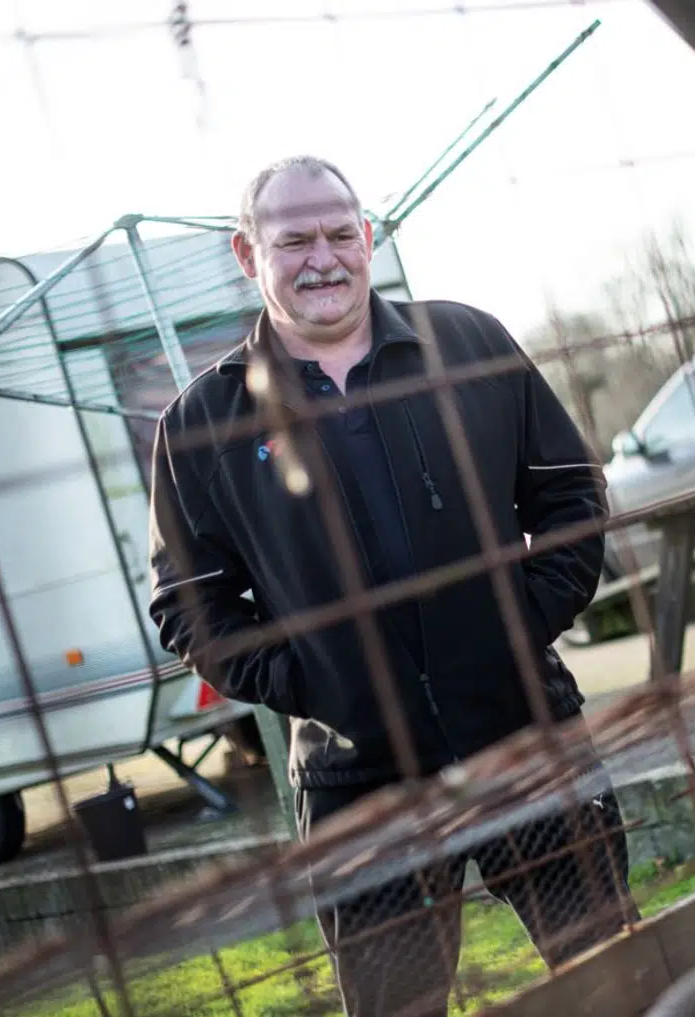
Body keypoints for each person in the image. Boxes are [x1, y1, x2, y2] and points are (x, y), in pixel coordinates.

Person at [146, 155, 637, 1016]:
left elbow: (570, 495)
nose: (323, 257)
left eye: (341, 233)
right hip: (358, 787)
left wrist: (519, 623)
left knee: (618, 979)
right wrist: (311, 683)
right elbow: (190, 605)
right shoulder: (201, 424)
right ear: (247, 254)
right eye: (293, 240)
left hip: (524, 735)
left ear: (368, 237)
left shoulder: (469, 344)